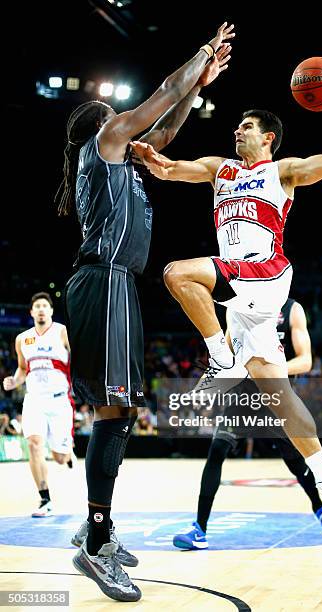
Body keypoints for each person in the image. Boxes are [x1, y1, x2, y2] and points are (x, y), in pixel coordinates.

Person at [55, 23, 235, 603]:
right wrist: (201, 53)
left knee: (121, 412)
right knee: (116, 410)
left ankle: (94, 525)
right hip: (103, 284)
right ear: (105, 129)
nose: (127, 126)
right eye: (116, 118)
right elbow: (157, 98)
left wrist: (197, 87)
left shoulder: (123, 163)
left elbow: (165, 126)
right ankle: (98, 541)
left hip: (117, 288)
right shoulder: (101, 146)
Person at [143, 66, 322, 526]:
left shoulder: (283, 172)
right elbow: (169, 170)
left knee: (178, 274)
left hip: (265, 274)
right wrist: (149, 157)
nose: (237, 130)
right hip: (243, 300)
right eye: (237, 125)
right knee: (278, 396)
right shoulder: (218, 170)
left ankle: (219, 357)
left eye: (247, 127)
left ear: (268, 139)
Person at [173, 299, 322, 550]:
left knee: (296, 462)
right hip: (242, 396)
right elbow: (224, 358)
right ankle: (199, 528)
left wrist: (267, 369)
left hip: (276, 396)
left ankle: (319, 508)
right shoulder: (235, 307)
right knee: (217, 450)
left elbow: (305, 361)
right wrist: (203, 388)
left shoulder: (292, 309)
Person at [2, 292, 74, 517]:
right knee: (34, 443)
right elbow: (23, 369)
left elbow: (78, 360)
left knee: (59, 457)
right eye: (37, 306)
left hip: (60, 400)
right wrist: (14, 381)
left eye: (45, 306)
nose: (41, 309)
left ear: (51, 311)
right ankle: (45, 499)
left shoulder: (63, 332)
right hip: (34, 400)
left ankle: (67, 450)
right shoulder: (22, 339)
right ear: (31, 312)